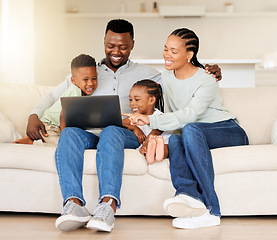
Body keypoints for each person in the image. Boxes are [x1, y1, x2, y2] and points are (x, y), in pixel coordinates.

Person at [26, 19, 222, 233]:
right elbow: (51, 95)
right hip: (90, 133)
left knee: (111, 130)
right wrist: (34, 115)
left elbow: (180, 76)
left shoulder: (149, 73)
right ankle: (74, 204)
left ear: (132, 45)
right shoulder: (89, 71)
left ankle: (108, 206)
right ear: (104, 42)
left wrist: (207, 70)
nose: (116, 51)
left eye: (123, 46)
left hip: (124, 133)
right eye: (111, 46)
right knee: (70, 133)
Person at [125, 28, 249, 230]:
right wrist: (144, 125)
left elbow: (188, 116)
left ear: (189, 55)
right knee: (175, 139)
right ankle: (188, 196)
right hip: (195, 133)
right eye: (166, 49)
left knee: (189, 129)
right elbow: (146, 92)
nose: (166, 55)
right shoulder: (165, 79)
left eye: (174, 51)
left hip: (228, 131)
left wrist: (150, 120)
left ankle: (212, 210)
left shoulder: (206, 80)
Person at [14, 54, 97, 146]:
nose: (91, 83)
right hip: (50, 126)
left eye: (94, 78)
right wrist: (65, 136)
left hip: (55, 127)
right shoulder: (75, 91)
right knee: (64, 144)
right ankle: (31, 141)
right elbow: (63, 116)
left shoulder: (82, 92)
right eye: (85, 79)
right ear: (73, 81)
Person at [123, 79, 171, 164]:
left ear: (151, 100)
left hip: (160, 139)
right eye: (130, 100)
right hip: (147, 144)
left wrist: (146, 143)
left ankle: (157, 151)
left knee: (166, 147)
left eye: (137, 99)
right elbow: (120, 123)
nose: (132, 103)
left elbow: (156, 131)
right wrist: (135, 128)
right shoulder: (134, 117)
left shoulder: (159, 116)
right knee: (148, 148)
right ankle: (150, 152)